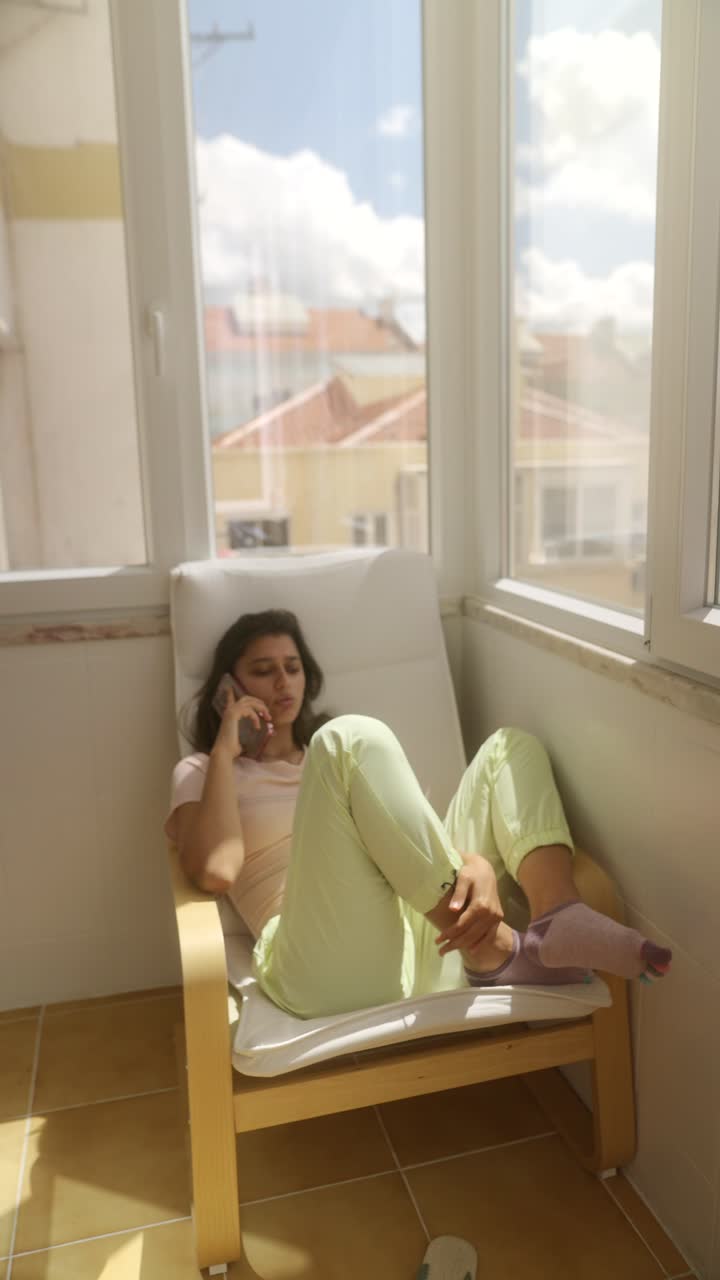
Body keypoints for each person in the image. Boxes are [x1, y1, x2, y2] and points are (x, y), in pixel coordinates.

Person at [165, 608, 672, 1020]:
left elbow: (410, 843)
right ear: (228, 688)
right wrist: (226, 754)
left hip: (421, 934)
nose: (283, 681)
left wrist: (472, 864)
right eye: (263, 669)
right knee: (348, 737)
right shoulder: (203, 770)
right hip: (315, 958)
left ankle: (561, 913)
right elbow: (215, 871)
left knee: (506, 749)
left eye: (292, 666)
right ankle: (498, 948)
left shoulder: (332, 761)